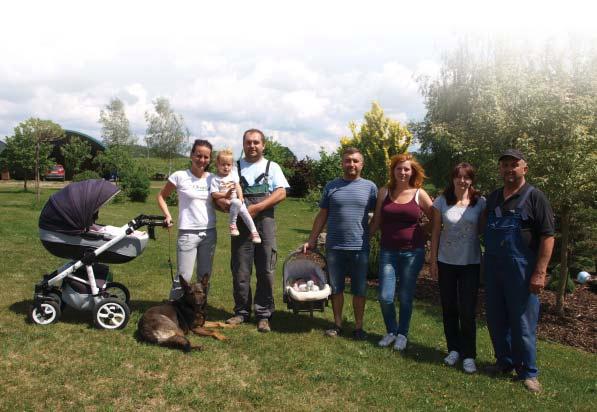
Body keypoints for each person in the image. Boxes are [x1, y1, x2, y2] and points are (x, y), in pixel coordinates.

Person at [483, 149, 554, 393]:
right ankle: (504, 362)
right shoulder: (493, 198)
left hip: (522, 270)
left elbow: (547, 236)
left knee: (523, 322)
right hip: (493, 268)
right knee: (496, 318)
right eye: (504, 165)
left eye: (514, 165)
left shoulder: (535, 197)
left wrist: (540, 272)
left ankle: (529, 372)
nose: (509, 169)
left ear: (524, 168)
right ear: (500, 169)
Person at [303, 147, 377, 340]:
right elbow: (322, 215)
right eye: (347, 160)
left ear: (362, 164)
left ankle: (359, 327)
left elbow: (379, 215)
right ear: (342, 163)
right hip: (334, 247)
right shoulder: (332, 186)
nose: (351, 164)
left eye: (355, 161)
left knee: (359, 289)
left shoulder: (370, 187)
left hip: (359, 248)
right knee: (336, 288)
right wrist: (312, 240)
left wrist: (370, 234)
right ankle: (337, 324)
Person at [223, 129, 289, 333]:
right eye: (248, 142)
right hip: (241, 227)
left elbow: (281, 192)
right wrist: (227, 203)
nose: (252, 146)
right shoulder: (235, 167)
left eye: (256, 142)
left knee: (266, 270)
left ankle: (263, 314)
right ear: (243, 145)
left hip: (265, 224)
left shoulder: (272, 167)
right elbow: (222, 190)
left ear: (263, 145)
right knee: (240, 270)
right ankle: (241, 312)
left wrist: (258, 207)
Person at [369, 153, 433, 351]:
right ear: (393, 171)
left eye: (407, 169)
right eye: (399, 168)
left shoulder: (419, 193)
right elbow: (377, 220)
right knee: (385, 296)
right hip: (388, 251)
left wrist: (423, 232)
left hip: (412, 253)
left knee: (405, 296)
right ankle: (391, 331)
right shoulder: (384, 192)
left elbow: (436, 218)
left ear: (412, 171)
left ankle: (402, 334)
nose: (403, 172)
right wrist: (365, 238)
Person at [430, 163, 486, 373]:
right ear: (452, 179)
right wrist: (433, 261)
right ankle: (453, 349)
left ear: (472, 180)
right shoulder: (441, 202)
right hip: (446, 262)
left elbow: (483, 229)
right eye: (458, 177)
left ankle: (469, 354)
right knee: (449, 307)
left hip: (470, 263)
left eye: (467, 177)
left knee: (468, 311)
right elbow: (435, 232)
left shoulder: (480, 203)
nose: (462, 181)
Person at [157, 139, 217, 300]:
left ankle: (199, 312)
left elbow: (220, 201)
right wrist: (168, 215)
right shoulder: (179, 176)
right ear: (191, 155)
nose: (202, 160)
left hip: (209, 233)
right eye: (198, 155)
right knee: (183, 277)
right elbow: (161, 197)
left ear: (210, 159)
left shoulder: (213, 178)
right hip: (187, 234)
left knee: (204, 278)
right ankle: (173, 311)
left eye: (206, 157)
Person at [210, 148, 261, 244]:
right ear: (217, 165)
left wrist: (241, 197)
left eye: (228, 165)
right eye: (223, 165)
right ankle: (232, 224)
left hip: (235, 200)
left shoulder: (233, 174)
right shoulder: (215, 179)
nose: (226, 167)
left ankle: (254, 232)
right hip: (226, 201)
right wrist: (225, 195)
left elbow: (238, 186)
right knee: (238, 205)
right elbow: (214, 194)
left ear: (232, 165)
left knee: (245, 213)